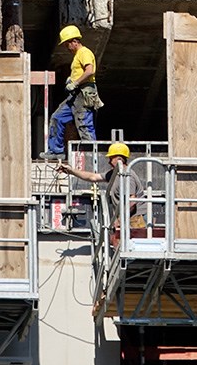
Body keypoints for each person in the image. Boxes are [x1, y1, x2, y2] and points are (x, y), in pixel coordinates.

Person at [40, 24, 103, 160]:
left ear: (74, 41)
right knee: (57, 117)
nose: (66, 47)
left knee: (84, 125)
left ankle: (93, 158)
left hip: (83, 93)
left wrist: (76, 82)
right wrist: (72, 79)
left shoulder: (84, 52)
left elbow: (90, 70)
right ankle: (56, 151)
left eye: (67, 44)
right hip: (75, 94)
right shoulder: (77, 55)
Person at [55, 142, 145, 231]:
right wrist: (70, 171)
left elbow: (132, 202)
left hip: (135, 219)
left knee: (132, 244)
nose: (109, 162)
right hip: (128, 217)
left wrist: (120, 220)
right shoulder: (114, 174)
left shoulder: (126, 175)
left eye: (111, 158)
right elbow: (93, 177)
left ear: (119, 159)